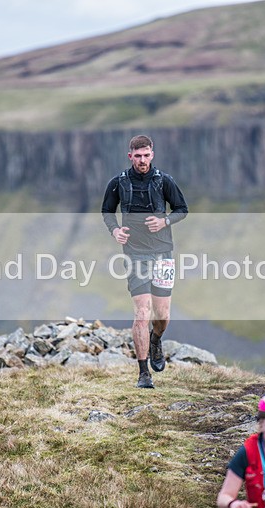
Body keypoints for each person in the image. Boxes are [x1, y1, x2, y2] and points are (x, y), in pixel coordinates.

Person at [101, 134, 188, 389]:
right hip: (135, 254)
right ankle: (143, 373)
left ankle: (156, 339)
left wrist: (165, 221)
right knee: (141, 312)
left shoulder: (164, 181)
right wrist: (115, 231)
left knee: (162, 315)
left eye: (146, 155)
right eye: (137, 156)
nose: (142, 160)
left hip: (163, 253)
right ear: (130, 156)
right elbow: (107, 211)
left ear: (153, 154)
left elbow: (182, 209)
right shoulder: (118, 182)